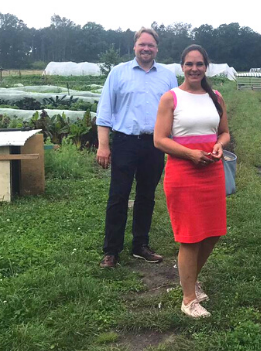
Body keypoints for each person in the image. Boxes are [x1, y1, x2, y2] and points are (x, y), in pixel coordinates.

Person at [154, 44, 230, 319]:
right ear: (182, 66)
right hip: (183, 172)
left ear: (206, 67)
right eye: (189, 64)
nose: (194, 69)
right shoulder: (171, 98)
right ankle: (188, 299)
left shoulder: (216, 97)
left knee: (213, 232)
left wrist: (220, 145)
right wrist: (190, 154)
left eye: (199, 64)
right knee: (190, 236)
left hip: (211, 170)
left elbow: (224, 133)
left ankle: (191, 278)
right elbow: (159, 139)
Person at [96, 27, 178, 268]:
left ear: (157, 49)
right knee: (118, 196)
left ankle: (140, 245)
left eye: (150, 45)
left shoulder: (167, 76)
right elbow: (105, 112)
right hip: (125, 142)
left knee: (146, 196)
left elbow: (176, 111)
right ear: (134, 46)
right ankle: (111, 251)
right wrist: (103, 145)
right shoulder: (118, 73)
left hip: (155, 143)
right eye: (142, 44)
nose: (146, 49)